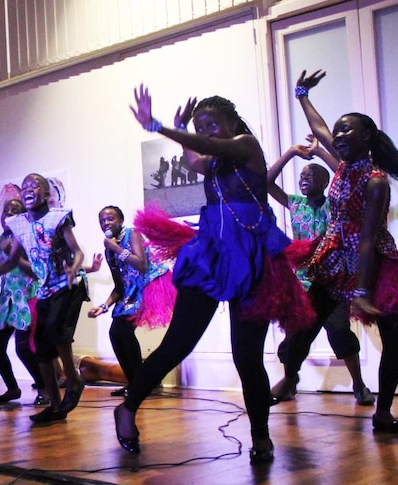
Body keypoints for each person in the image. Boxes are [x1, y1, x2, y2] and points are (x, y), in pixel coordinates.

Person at [114, 86, 315, 463]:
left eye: (212, 124)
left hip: (253, 257)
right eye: (200, 125)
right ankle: (127, 407)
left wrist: (160, 127)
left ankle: (260, 435)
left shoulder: (246, 145)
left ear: (233, 123)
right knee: (178, 344)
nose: (207, 131)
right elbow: (195, 160)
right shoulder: (214, 160)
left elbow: (214, 149)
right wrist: (178, 129)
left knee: (247, 356)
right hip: (211, 255)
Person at [292, 69, 398, 434]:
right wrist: (302, 94)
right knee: (303, 328)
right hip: (335, 259)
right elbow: (322, 127)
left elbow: (366, 240)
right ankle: (288, 378)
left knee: (393, 340)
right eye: (339, 130)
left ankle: (383, 412)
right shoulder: (343, 165)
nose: (339, 135)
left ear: (367, 139)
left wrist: (361, 291)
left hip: (375, 264)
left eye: (349, 131)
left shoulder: (375, 180)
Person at [0, 173, 88, 424]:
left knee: (57, 330)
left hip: (68, 284)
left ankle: (74, 379)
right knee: (42, 349)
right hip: (45, 287)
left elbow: (77, 252)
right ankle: (55, 407)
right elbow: (13, 261)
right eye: (24, 187)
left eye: (35, 186)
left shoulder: (59, 217)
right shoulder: (18, 224)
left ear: (46, 194)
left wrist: (74, 268)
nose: (29, 189)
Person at [266, 138, 375, 406]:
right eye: (302, 175)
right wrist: (291, 153)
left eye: (312, 175)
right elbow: (265, 184)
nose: (305, 179)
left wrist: (319, 152)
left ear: (325, 183)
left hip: (331, 281)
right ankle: (290, 380)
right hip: (301, 283)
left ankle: (359, 385)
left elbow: (344, 175)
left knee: (339, 332)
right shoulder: (295, 204)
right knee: (293, 338)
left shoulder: (335, 205)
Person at [86, 205, 174, 397]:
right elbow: (120, 286)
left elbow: (141, 265)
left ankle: (139, 385)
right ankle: (134, 383)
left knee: (123, 331)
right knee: (115, 333)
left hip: (148, 286)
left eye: (110, 219)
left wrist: (116, 248)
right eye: (102, 220)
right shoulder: (109, 250)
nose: (106, 223)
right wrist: (103, 306)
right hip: (130, 292)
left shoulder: (132, 234)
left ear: (121, 221)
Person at [0, 199, 47, 406]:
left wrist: (16, 252)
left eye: (15, 211)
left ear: (22, 217)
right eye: (6, 210)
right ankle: (12, 388)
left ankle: (44, 388)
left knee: (23, 347)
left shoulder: (30, 237)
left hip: (27, 295)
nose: (9, 214)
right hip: (6, 299)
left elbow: (39, 270)